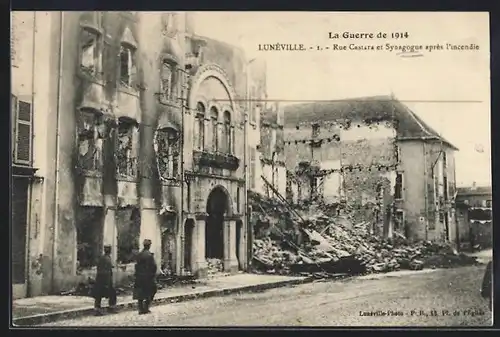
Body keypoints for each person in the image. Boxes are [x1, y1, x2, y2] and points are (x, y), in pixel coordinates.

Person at [91, 245, 117, 316]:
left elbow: (100, 268)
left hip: (100, 279)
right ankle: (111, 307)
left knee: (99, 295)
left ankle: (97, 309)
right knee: (112, 293)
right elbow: (107, 270)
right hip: (106, 279)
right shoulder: (107, 259)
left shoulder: (103, 258)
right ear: (110, 251)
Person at [133, 239, 158, 315]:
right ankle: (146, 307)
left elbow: (136, 266)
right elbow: (153, 267)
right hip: (148, 277)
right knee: (152, 290)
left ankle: (141, 309)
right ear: (149, 246)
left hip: (139, 277)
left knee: (140, 293)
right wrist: (152, 275)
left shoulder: (139, 255)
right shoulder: (149, 255)